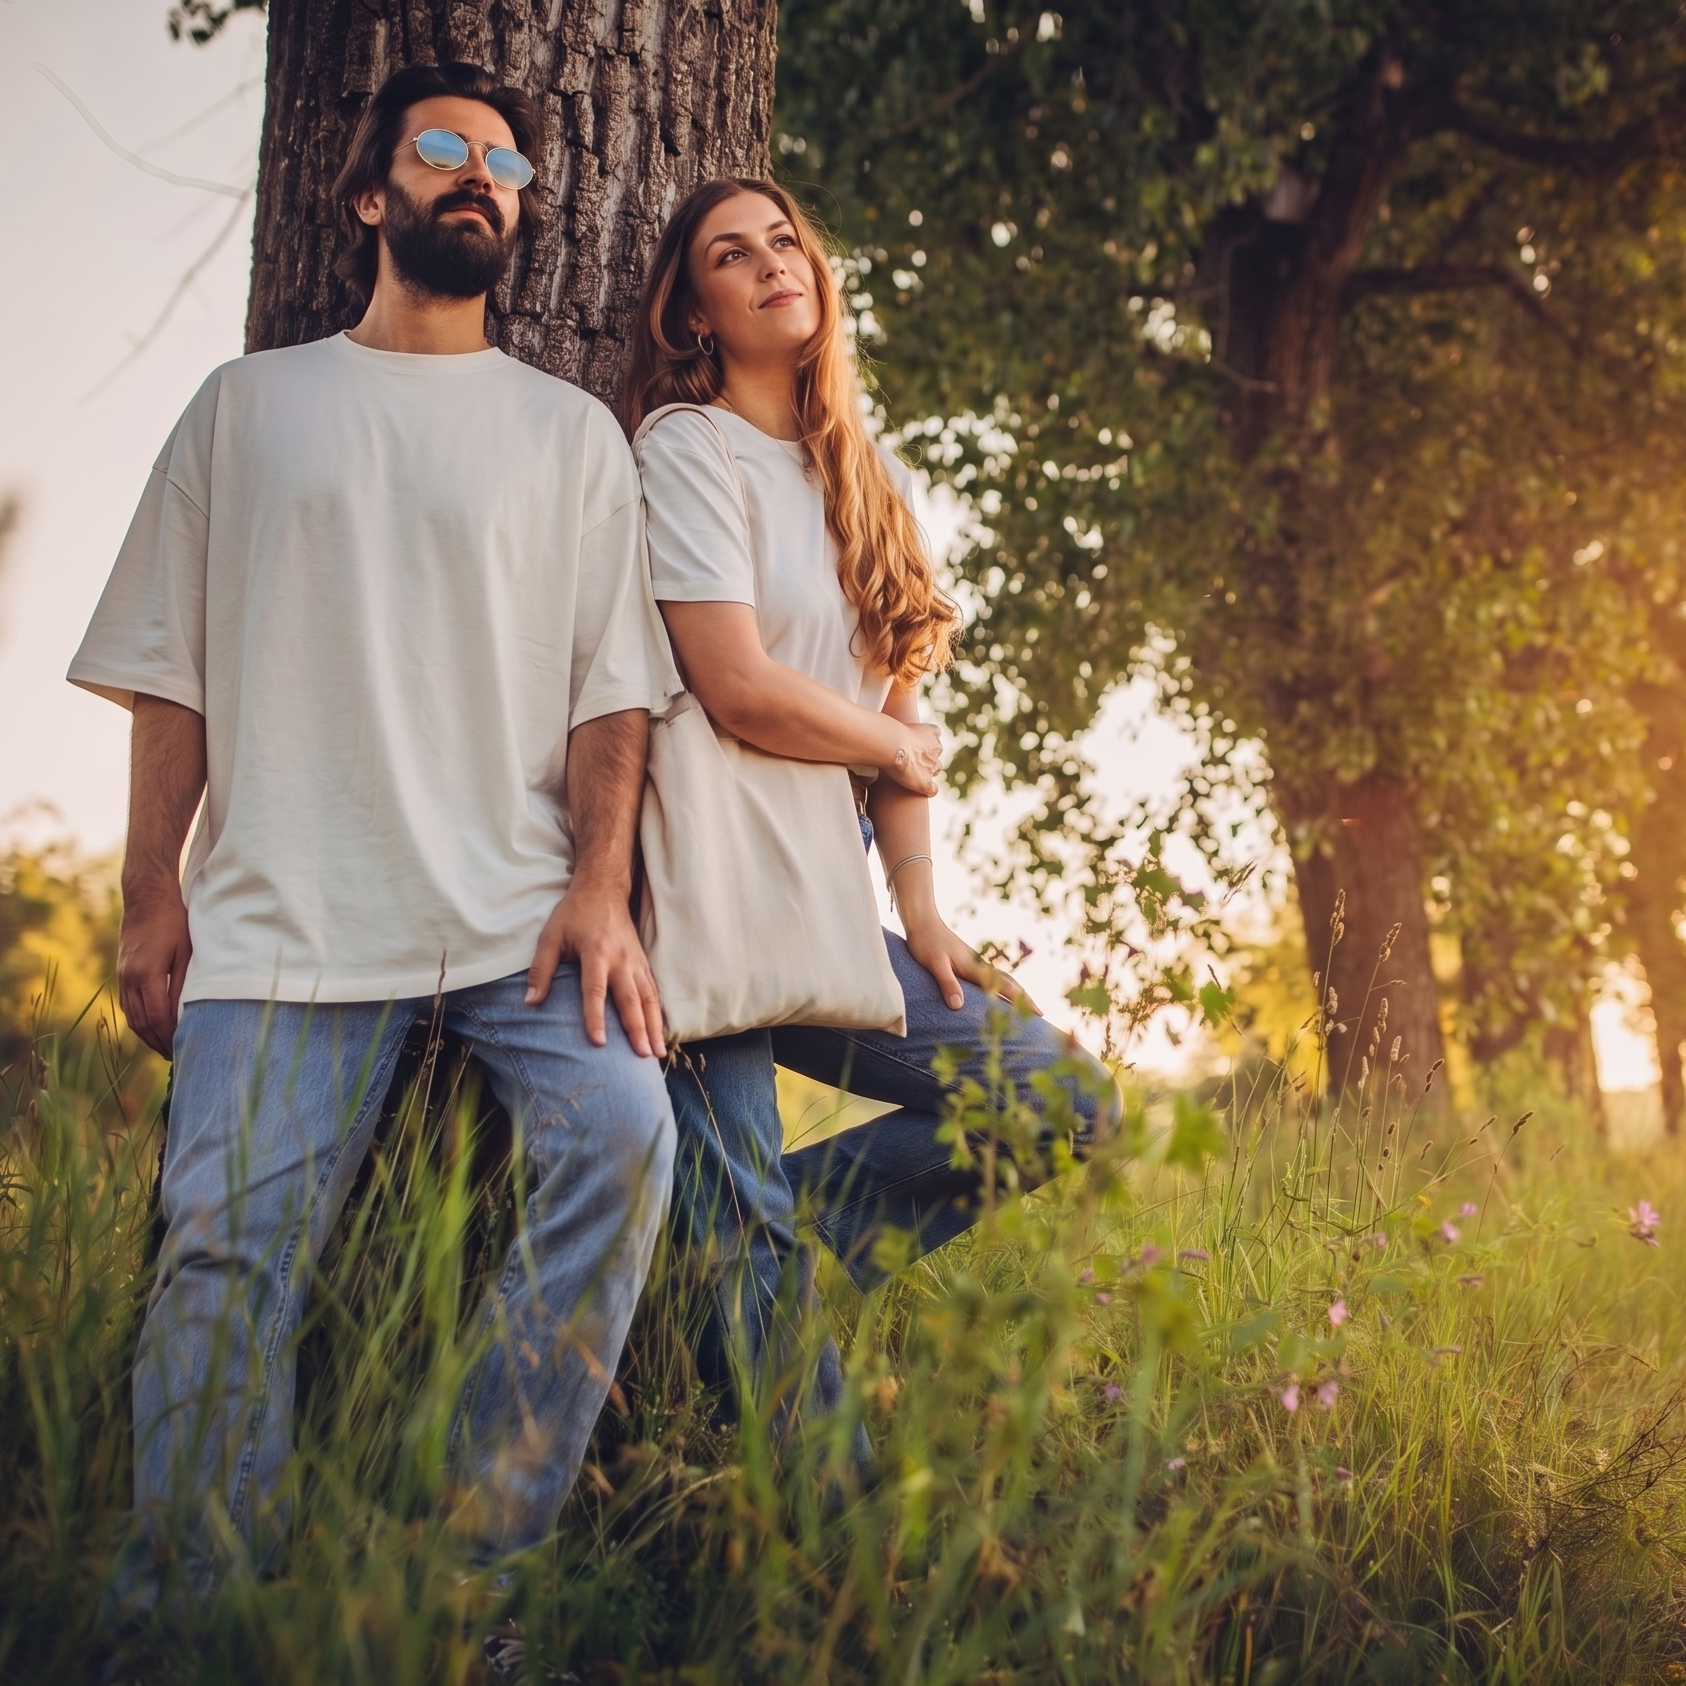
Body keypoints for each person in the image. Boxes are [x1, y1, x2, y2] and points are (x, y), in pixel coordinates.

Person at [70, 62, 680, 1616]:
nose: (476, 173)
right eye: (437, 149)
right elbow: (167, 666)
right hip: (280, 920)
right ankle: (196, 1610)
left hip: (514, 918)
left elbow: (616, 697)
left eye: (503, 162)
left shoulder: (568, 438)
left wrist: (601, 893)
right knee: (219, 1258)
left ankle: (462, 1569)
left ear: (523, 211)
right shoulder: (249, 405)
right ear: (367, 197)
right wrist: (153, 898)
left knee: (621, 1134)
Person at [622, 178, 1117, 1463]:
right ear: (697, 309)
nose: (772, 263)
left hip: (836, 907)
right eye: (733, 255)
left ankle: (754, 1255)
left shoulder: (873, 482)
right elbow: (734, 684)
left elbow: (900, 745)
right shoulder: (685, 450)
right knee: (742, 1234)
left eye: (786, 241)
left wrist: (924, 909)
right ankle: (827, 1533)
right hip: (703, 899)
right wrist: (896, 739)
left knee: (1060, 1101)